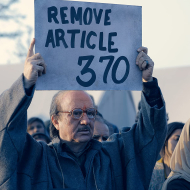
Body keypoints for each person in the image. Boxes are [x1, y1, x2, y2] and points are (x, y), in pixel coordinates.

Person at [0, 38, 167, 190]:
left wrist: (148, 82)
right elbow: (6, 132)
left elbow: (150, 135)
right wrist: (26, 83)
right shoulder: (36, 158)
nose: (86, 121)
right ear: (55, 121)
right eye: (76, 113)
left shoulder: (113, 155)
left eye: (91, 113)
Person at [149, 122, 184, 190]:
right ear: (165, 140)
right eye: (177, 139)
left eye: (185, 141)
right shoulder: (151, 172)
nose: (182, 144)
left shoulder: (187, 171)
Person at [161, 119, 190, 190]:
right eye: (177, 139)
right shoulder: (153, 171)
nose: (181, 143)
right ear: (165, 141)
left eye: (184, 140)